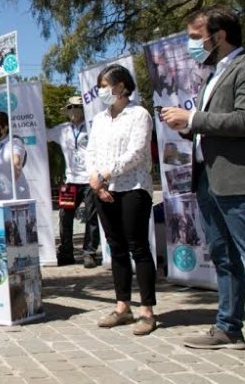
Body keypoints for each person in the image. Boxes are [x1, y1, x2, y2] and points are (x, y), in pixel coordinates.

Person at [160, 6, 245, 380]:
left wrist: (194, 119)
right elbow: (217, 125)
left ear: (220, 35)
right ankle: (229, 326)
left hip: (242, 183)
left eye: (196, 37)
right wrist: (189, 130)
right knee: (223, 256)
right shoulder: (212, 75)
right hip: (209, 180)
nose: (192, 45)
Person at [86, 64, 157, 336]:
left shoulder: (139, 114)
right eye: (100, 86)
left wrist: (107, 173)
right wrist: (96, 180)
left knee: (137, 246)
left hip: (133, 188)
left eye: (105, 85)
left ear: (121, 86)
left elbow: (137, 152)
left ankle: (147, 311)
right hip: (104, 190)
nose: (102, 91)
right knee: (116, 248)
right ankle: (122, 306)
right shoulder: (100, 118)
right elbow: (91, 151)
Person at [47, 96, 100, 268]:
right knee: (64, 216)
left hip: (90, 179)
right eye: (70, 107)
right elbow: (42, 133)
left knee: (91, 216)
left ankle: (89, 252)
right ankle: (66, 252)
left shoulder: (92, 128)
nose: (73, 110)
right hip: (70, 181)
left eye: (76, 107)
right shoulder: (62, 130)